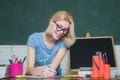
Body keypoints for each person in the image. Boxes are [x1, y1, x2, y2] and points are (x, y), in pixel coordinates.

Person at [26, 10, 76, 77]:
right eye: (59, 26)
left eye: (65, 29)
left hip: (54, 77)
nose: (61, 32)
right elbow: (29, 69)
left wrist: (33, 70)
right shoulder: (34, 39)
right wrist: (40, 72)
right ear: (51, 22)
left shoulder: (64, 42)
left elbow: (52, 68)